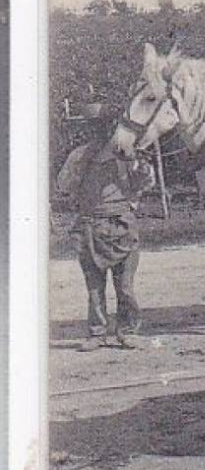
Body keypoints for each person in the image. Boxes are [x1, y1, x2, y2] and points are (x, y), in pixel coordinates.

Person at [55, 104, 155, 350]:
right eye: (93, 126)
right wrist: (80, 167)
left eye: (104, 125)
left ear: (113, 126)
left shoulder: (127, 155)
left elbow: (146, 183)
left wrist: (140, 164)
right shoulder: (79, 155)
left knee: (125, 286)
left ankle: (128, 331)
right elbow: (63, 185)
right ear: (86, 129)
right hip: (90, 226)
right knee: (94, 287)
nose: (99, 131)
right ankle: (97, 333)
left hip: (122, 225)